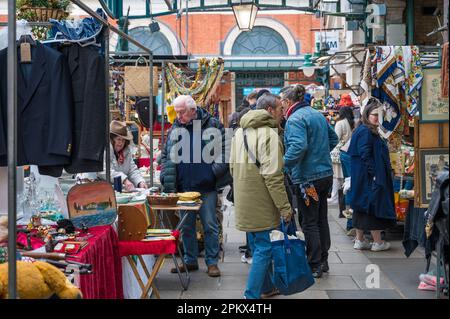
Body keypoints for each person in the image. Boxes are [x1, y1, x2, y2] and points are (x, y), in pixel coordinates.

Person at [230, 93, 292, 299]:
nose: (283, 115)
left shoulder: (240, 133)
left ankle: (267, 288)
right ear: (270, 111)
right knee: (265, 248)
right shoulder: (269, 136)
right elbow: (274, 177)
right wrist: (285, 207)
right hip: (263, 201)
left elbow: (232, 167)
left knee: (258, 245)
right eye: (281, 110)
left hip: (244, 198)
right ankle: (251, 295)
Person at [160, 95, 227, 277]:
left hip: (206, 187)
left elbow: (224, 152)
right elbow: (166, 154)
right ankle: (190, 260)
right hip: (184, 186)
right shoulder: (176, 127)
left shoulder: (212, 125)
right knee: (186, 227)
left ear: (192, 110)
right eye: (177, 112)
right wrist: (167, 175)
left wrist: (212, 173)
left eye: (181, 112)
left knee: (210, 225)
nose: (178, 116)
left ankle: (212, 262)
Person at [282, 84, 338, 278]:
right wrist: (319, 154)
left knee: (309, 221)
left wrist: (283, 164)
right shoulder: (316, 114)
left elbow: (298, 146)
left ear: (288, 102)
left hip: (308, 180)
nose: (281, 106)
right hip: (324, 176)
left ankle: (314, 264)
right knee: (321, 218)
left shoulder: (294, 119)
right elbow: (334, 138)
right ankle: (324, 259)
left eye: (282, 102)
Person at [347, 98, 396, 251]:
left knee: (362, 207)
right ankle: (377, 242)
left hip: (362, 177)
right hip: (367, 178)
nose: (377, 118)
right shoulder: (366, 132)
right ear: (367, 115)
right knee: (371, 206)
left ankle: (360, 240)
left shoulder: (363, 130)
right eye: (375, 115)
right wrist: (374, 174)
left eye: (379, 115)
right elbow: (365, 154)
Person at [80, 120, 147, 190]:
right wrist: (124, 179)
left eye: (123, 140)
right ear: (112, 139)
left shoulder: (126, 152)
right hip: (98, 189)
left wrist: (140, 182)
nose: (121, 143)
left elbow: (132, 170)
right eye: (118, 139)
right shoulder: (104, 149)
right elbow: (103, 170)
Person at [335, 106, 356, 235]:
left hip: (343, 153)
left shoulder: (340, 123)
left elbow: (335, 138)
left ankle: (350, 221)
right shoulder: (352, 123)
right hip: (352, 153)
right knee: (349, 182)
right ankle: (350, 222)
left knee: (345, 182)